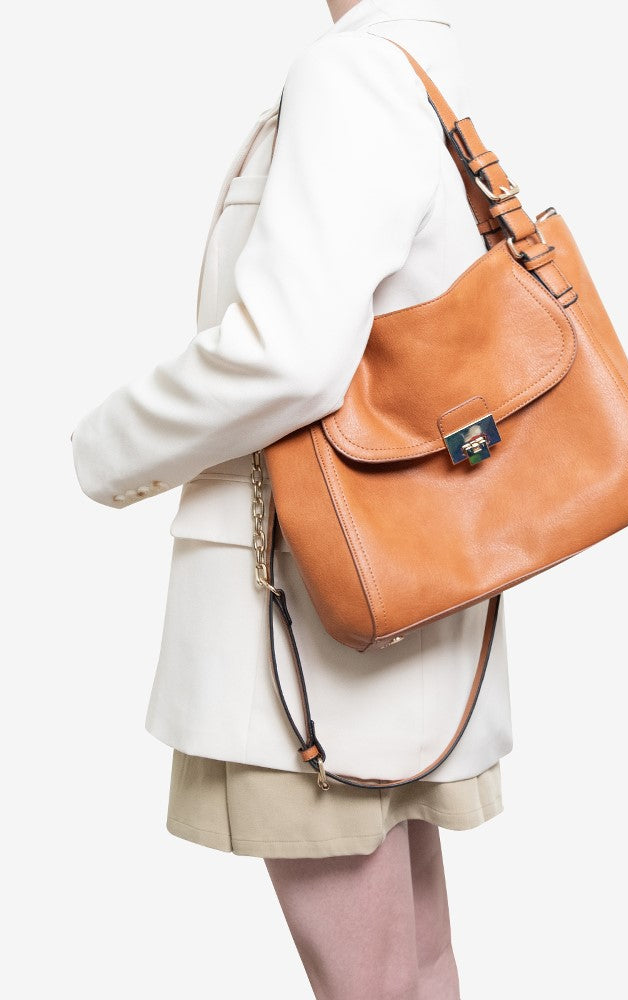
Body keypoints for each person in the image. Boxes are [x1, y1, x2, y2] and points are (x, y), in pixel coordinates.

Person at [71, 2, 513, 997]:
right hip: (402, 583)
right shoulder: (427, 67)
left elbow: (287, 356)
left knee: (372, 982)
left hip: (313, 610)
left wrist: (104, 451)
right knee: (415, 968)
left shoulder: (352, 73)